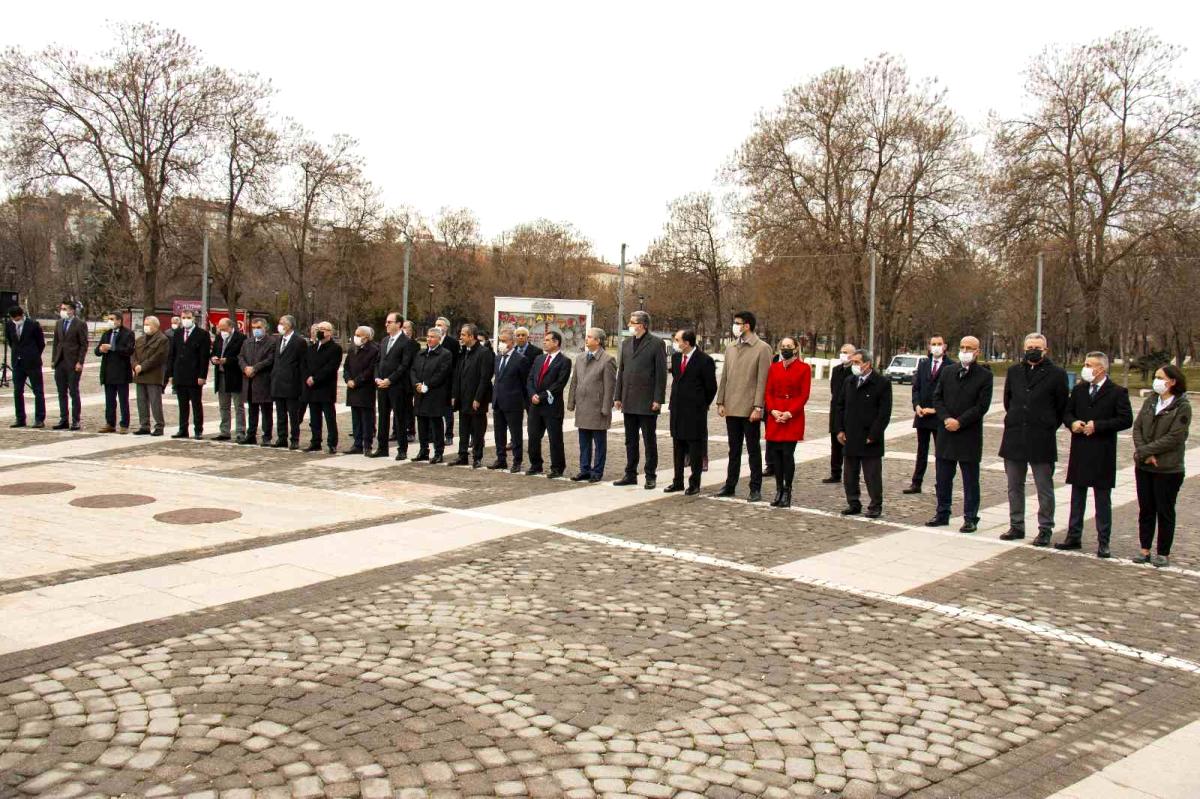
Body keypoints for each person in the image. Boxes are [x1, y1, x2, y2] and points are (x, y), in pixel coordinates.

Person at [1057, 352, 1133, 557]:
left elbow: (1125, 419)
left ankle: (1103, 541)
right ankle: (1073, 536)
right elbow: (1067, 413)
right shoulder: (1080, 389)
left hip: (1102, 450)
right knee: (1077, 495)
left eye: (1089, 364)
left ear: (1101, 368)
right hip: (1080, 448)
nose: (1085, 367)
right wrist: (1072, 422)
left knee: (1102, 499)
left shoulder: (1117, 392)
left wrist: (1098, 426)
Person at [998, 333, 1069, 543]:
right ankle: (1016, 525)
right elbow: (1008, 400)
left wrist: (1046, 424)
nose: (1033, 350)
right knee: (1014, 486)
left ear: (1045, 349)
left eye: (1037, 346)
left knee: (1044, 487)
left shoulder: (1056, 374)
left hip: (1041, 437)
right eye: (1029, 346)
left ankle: (1045, 528)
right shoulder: (1014, 371)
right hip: (1015, 436)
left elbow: (1061, 405)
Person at [930, 336, 993, 533]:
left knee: (970, 480)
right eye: (963, 347)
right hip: (946, 432)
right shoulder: (948, 371)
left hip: (968, 434)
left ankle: (970, 517)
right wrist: (946, 418)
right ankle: (942, 512)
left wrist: (960, 421)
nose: (965, 351)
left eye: (970, 348)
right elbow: (937, 397)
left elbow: (981, 406)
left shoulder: (984, 376)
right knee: (943, 477)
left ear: (977, 351)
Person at [1131, 364, 1191, 568]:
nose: (1156, 380)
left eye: (1160, 377)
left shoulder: (1182, 406)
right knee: (1146, 509)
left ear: (1172, 381)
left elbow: (1175, 436)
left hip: (1168, 468)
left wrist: (1148, 451)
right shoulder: (1151, 401)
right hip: (1144, 465)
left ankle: (1163, 552)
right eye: (1155, 376)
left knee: (1164, 510)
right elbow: (1137, 427)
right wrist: (1143, 452)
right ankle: (1144, 549)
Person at [715, 311, 774, 501]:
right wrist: (721, 400)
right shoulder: (731, 347)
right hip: (731, 405)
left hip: (750, 408)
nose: (735, 326)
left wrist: (758, 407)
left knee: (753, 449)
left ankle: (755, 487)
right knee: (734, 449)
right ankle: (730, 484)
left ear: (747, 325)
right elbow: (725, 376)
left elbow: (763, 380)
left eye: (737, 323)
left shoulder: (762, 348)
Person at [613, 311, 668, 489]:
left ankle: (650, 474)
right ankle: (630, 473)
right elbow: (621, 371)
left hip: (647, 401)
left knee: (649, 440)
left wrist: (658, 399)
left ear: (642, 325)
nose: (629, 324)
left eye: (632, 322)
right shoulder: (626, 343)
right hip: (629, 400)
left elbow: (661, 374)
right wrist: (618, 396)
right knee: (630, 440)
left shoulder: (656, 343)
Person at [837, 349, 891, 517]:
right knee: (850, 474)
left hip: (869, 437)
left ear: (867, 364)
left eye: (857, 362)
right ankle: (853, 502)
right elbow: (840, 406)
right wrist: (839, 429)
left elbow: (884, 413)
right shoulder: (849, 381)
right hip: (850, 435)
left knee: (872, 475)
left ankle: (875, 505)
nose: (854, 366)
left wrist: (873, 435)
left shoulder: (881, 383)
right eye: (853, 362)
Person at [664, 329, 717, 496]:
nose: (675, 342)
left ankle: (695, 482)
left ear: (686, 343)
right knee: (678, 446)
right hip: (677, 409)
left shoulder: (704, 360)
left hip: (695, 411)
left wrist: (701, 403)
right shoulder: (676, 357)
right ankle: (677, 481)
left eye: (678, 340)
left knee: (695, 447)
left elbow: (711, 387)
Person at [764, 336, 812, 508]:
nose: (785, 349)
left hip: (792, 415)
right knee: (775, 455)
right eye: (783, 346)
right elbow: (768, 392)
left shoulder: (804, 368)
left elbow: (804, 394)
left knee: (787, 455)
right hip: (775, 414)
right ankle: (778, 489)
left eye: (789, 346)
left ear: (796, 348)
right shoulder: (774, 368)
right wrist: (772, 410)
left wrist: (790, 412)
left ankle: (787, 489)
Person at [568, 327, 617, 482]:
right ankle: (584, 469)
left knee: (599, 443)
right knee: (584, 442)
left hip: (597, 408)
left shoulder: (608, 360)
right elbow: (574, 382)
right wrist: (571, 402)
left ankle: (597, 471)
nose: (586, 339)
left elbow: (610, 387)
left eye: (589, 337)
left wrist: (606, 408)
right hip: (583, 406)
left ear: (598, 341)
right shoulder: (580, 358)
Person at [905, 335, 953, 494]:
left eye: (939, 344)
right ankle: (916, 482)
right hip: (922, 415)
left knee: (941, 453)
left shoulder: (951, 366)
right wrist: (917, 405)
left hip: (939, 416)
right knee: (921, 451)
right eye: (933, 344)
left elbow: (950, 393)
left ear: (945, 346)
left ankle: (941, 483)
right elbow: (916, 387)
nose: (936, 347)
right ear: (929, 346)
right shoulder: (924, 364)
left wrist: (936, 410)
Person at [370, 312, 417, 460]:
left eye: (390, 322)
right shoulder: (384, 341)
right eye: (386, 322)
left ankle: (402, 449)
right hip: (382, 385)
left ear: (399, 324)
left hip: (397, 386)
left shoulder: (406, 342)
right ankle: (382, 447)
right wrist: (377, 377)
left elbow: (404, 365)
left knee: (399, 417)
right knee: (383, 416)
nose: (386, 324)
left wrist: (390, 380)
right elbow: (378, 361)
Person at [526, 331, 572, 477]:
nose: (544, 343)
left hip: (552, 406)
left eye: (547, 340)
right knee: (533, 436)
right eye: (544, 340)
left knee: (555, 439)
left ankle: (557, 468)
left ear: (556, 342)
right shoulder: (539, 358)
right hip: (535, 405)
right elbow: (531, 378)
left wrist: (542, 396)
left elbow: (559, 384)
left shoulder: (564, 361)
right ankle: (535, 464)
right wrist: (533, 394)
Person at [450, 323, 495, 467]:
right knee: (463, 429)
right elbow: (458, 375)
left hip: (476, 399)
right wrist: (454, 395)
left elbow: (485, 378)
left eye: (463, 335)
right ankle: (462, 455)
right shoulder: (463, 352)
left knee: (477, 430)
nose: (460, 337)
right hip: (463, 398)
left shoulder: (484, 353)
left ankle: (477, 457)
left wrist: (478, 398)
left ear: (471, 336)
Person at [411, 326, 454, 463]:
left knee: (436, 424)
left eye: (432, 337)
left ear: (439, 338)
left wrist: (427, 384)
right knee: (422, 423)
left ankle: (438, 452)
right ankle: (423, 450)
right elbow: (413, 370)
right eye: (428, 336)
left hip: (435, 394)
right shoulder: (421, 353)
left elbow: (442, 373)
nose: (429, 339)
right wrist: (417, 383)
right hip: (420, 394)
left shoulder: (445, 354)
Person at [166, 309, 211, 439]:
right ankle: (183, 429)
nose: (185, 319)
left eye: (188, 317)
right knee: (182, 404)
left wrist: (202, 376)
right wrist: (171, 374)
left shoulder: (202, 334)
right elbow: (172, 355)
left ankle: (198, 430)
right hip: (180, 374)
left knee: (196, 404)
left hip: (194, 375)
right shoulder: (178, 333)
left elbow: (204, 357)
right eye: (183, 317)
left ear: (193, 318)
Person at [489, 327, 529, 473]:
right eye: (500, 341)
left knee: (515, 433)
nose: (501, 343)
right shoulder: (498, 357)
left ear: (512, 342)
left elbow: (525, 383)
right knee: (499, 433)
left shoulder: (521, 359)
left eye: (504, 341)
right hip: (498, 401)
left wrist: (524, 402)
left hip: (514, 403)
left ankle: (517, 461)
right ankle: (501, 459)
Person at [302, 321, 341, 454]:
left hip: (325, 388)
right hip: (312, 388)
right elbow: (305, 364)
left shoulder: (335, 348)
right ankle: (315, 441)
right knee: (314, 418)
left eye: (323, 329)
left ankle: (332, 443)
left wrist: (316, 378)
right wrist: (308, 377)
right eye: (318, 329)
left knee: (329, 417)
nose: (319, 331)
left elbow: (330, 368)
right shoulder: (311, 348)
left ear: (330, 332)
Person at [5, 306, 46, 428]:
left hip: (32, 362)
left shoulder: (33, 325)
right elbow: (10, 341)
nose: (15, 320)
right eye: (13, 318)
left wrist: (32, 354)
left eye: (17, 318)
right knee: (17, 391)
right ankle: (20, 418)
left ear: (22, 315)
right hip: (18, 363)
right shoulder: (9, 325)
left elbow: (41, 343)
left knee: (37, 390)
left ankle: (39, 418)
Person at [271, 314, 307, 449]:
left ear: (290, 325)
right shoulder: (279, 339)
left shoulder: (299, 341)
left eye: (283, 322)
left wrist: (301, 384)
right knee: (280, 413)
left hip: (292, 383)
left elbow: (302, 364)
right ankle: (282, 437)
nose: (280, 325)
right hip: (278, 382)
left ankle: (294, 439)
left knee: (293, 414)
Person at [51, 299, 88, 430]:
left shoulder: (80, 324)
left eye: (65, 309)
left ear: (72, 310)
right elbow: (56, 343)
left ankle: (75, 420)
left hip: (73, 362)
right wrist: (53, 360)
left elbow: (84, 344)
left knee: (73, 391)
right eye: (62, 309)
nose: (62, 311)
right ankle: (63, 419)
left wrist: (80, 361)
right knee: (61, 392)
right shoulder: (59, 323)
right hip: (60, 362)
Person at [238, 318, 276, 446]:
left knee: (266, 411)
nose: (256, 330)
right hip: (249, 381)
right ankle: (251, 435)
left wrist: (255, 368)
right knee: (252, 411)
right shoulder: (247, 342)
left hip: (263, 381)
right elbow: (241, 357)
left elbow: (270, 359)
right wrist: (245, 368)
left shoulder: (271, 342)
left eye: (258, 327)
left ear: (265, 328)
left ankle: (267, 437)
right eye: (254, 328)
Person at [95, 312, 134, 433]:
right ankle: (110, 423)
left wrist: (113, 347)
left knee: (123, 400)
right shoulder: (106, 334)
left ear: (119, 320)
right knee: (109, 400)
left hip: (121, 372)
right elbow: (97, 351)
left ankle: (124, 424)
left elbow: (129, 350)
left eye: (112, 319)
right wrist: (101, 349)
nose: (110, 321)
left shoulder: (128, 333)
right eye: (109, 319)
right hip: (108, 372)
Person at [823, 343, 857, 484]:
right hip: (836, 410)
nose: (843, 354)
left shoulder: (855, 371)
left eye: (846, 352)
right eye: (842, 352)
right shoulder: (837, 370)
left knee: (848, 445)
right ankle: (835, 472)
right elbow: (833, 389)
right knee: (835, 444)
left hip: (849, 412)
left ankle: (850, 474)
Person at [344, 326, 380, 455]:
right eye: (355, 334)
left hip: (365, 388)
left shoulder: (374, 350)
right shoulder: (353, 349)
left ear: (367, 337)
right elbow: (346, 366)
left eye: (359, 335)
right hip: (352, 388)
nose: (356, 337)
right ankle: (357, 444)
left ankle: (367, 445)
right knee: (356, 418)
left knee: (367, 419)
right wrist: (348, 379)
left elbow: (370, 370)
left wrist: (357, 381)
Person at [209, 317, 246, 442]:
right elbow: (214, 352)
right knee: (223, 406)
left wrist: (227, 361)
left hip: (235, 376)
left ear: (230, 327)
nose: (221, 331)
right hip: (221, 375)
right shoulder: (219, 337)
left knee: (238, 405)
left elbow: (241, 357)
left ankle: (240, 431)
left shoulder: (241, 338)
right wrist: (213, 359)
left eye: (223, 329)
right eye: (220, 329)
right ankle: (224, 431)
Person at [131, 316, 168, 436]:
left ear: (156, 326)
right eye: (145, 324)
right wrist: (135, 365)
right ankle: (144, 425)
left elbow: (158, 357)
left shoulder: (162, 339)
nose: (145, 326)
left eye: (148, 324)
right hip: (140, 374)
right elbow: (134, 355)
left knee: (155, 402)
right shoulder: (140, 339)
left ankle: (159, 426)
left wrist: (143, 366)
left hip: (153, 375)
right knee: (141, 401)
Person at [435, 316, 460, 446]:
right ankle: (434, 434)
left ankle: (449, 434)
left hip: (448, 382)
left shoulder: (452, 343)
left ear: (446, 328)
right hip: (435, 383)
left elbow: (456, 364)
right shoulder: (433, 341)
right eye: (436, 324)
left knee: (448, 411)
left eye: (441, 325)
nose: (438, 327)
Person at [401, 318, 418, 442]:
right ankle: (397, 430)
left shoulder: (415, 345)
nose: (404, 330)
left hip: (408, 380)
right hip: (398, 379)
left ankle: (410, 430)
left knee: (408, 407)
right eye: (403, 327)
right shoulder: (399, 342)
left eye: (406, 327)